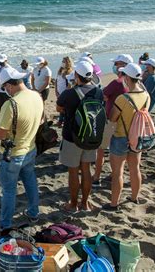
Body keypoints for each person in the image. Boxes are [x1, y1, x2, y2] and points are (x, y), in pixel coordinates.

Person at [0, 68, 43, 231]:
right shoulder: (36, 96)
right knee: (30, 182)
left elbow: (1, 134)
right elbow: (41, 119)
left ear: (9, 85)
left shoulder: (11, 105)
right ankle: (33, 212)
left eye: (5, 88)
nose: (5, 91)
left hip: (13, 154)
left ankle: (5, 223)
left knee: (9, 190)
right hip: (30, 148)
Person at [56, 61, 103, 212]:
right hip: (90, 135)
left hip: (72, 136)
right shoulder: (98, 92)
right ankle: (85, 203)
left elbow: (59, 107)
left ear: (76, 75)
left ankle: (73, 204)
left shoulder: (69, 93)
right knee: (86, 169)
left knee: (73, 171)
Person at [104, 63, 149, 210]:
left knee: (118, 172)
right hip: (137, 136)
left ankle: (114, 203)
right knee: (135, 168)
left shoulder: (123, 99)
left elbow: (113, 118)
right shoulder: (146, 95)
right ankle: (134, 197)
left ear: (127, 78)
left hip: (121, 136)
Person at [92, 54, 133, 187]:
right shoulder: (134, 83)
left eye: (116, 64)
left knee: (101, 150)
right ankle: (113, 174)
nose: (114, 66)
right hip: (127, 122)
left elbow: (103, 96)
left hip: (111, 120)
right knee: (120, 152)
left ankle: (97, 176)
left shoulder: (118, 82)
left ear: (123, 66)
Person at [55, 56, 74, 127]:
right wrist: (56, 91)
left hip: (65, 93)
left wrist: (64, 94)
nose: (62, 63)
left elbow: (69, 85)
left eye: (64, 61)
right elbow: (57, 80)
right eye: (62, 61)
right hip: (59, 92)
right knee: (60, 107)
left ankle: (62, 121)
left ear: (68, 63)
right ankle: (60, 120)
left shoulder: (69, 72)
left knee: (65, 108)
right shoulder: (60, 70)